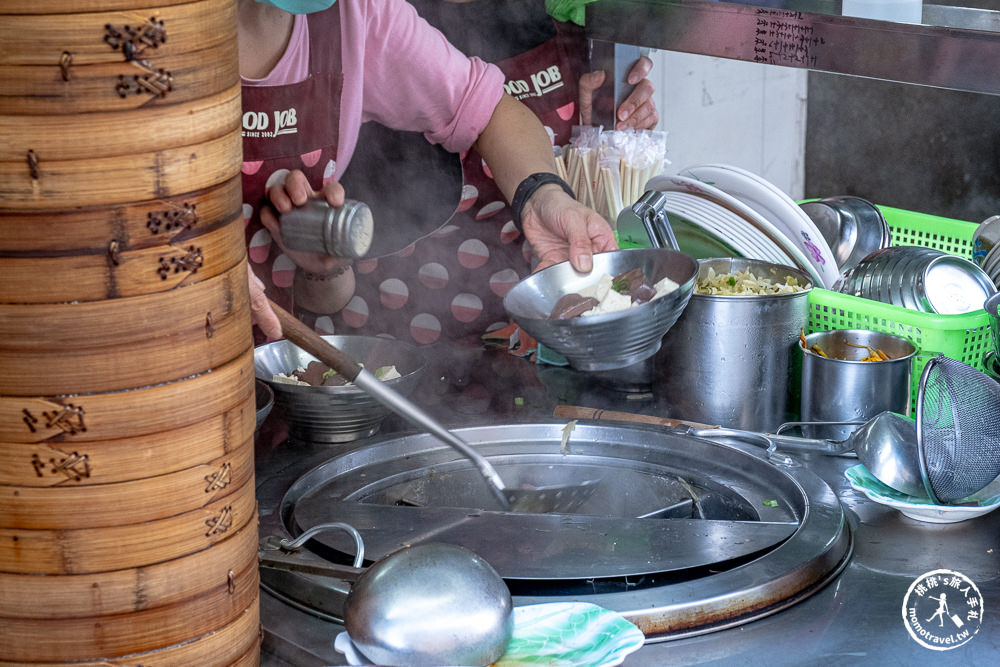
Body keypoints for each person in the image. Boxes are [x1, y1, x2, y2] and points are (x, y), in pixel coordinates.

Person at [240, 0, 618, 341]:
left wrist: (543, 196)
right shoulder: (182, 35)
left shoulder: (357, 15)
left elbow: (489, 111)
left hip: (263, 361)